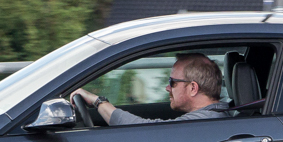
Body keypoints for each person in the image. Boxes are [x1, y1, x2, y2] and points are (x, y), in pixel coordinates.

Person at [71, 53, 230, 125]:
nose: (167, 87)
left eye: (172, 82)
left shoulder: (202, 123)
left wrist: (98, 101)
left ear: (193, 88)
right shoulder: (212, 117)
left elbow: (143, 131)